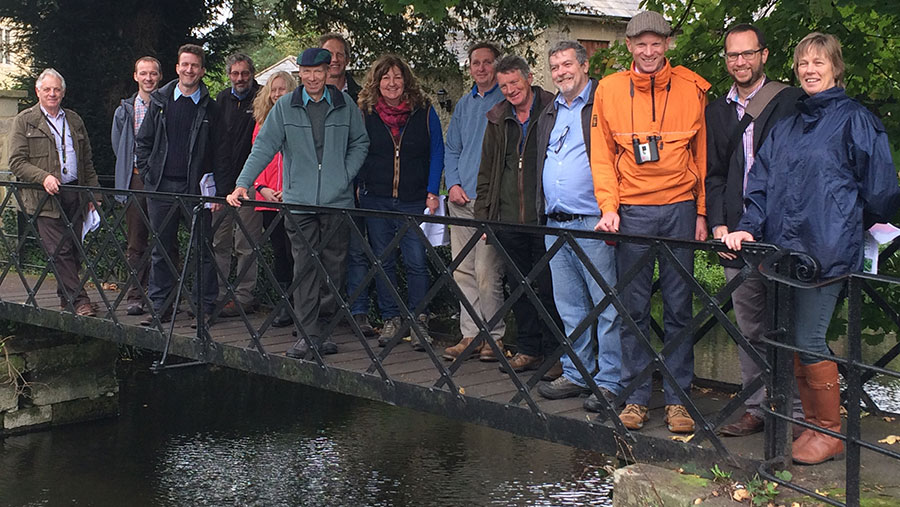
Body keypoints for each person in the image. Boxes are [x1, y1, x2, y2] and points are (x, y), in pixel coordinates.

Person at [723, 32, 900, 465]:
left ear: (836, 67)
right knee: (792, 341)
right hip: (783, 253)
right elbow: (759, 185)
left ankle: (831, 431)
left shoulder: (855, 120)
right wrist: (748, 227)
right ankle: (812, 426)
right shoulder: (786, 125)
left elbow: (880, 191)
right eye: (802, 62)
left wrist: (847, 222)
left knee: (809, 338)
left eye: (819, 62)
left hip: (827, 251)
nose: (809, 69)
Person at [591, 11, 710, 434]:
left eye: (655, 43)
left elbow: (703, 156)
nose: (648, 51)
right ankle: (636, 397)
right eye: (640, 43)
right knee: (633, 309)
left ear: (667, 45)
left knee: (679, 308)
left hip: (679, 209)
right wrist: (609, 208)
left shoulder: (693, 88)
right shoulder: (608, 90)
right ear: (628, 46)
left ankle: (679, 401)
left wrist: (700, 212)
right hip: (633, 212)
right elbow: (602, 156)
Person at [226, 48, 369, 360]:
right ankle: (307, 335)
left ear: (327, 71)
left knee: (333, 269)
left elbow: (361, 142)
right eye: (307, 72)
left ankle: (323, 332)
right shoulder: (286, 107)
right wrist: (242, 183)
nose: (313, 77)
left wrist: (344, 174)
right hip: (298, 202)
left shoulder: (345, 105)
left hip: (336, 201)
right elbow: (264, 146)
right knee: (304, 269)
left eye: (318, 71)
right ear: (300, 75)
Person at [705, 23, 805, 437]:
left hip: (780, 232)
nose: (740, 62)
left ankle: (797, 416)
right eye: (733, 55)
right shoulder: (717, 110)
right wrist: (718, 223)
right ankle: (757, 409)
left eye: (748, 53)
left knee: (791, 327)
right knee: (749, 327)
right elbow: (713, 173)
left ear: (764, 55)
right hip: (735, 237)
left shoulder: (788, 100)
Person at [533, 42, 621, 402]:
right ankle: (577, 373)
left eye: (567, 64)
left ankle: (611, 380)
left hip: (595, 220)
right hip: (556, 222)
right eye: (554, 67)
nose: (561, 72)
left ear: (584, 66)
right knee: (570, 306)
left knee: (607, 305)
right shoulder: (550, 112)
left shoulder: (602, 102)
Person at [475, 55, 560, 368]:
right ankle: (528, 349)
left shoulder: (552, 108)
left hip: (545, 216)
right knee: (519, 287)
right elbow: (487, 173)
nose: (510, 90)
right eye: (504, 85)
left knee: (551, 289)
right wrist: (485, 218)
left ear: (529, 78)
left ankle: (556, 354)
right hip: (508, 218)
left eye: (515, 82)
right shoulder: (497, 117)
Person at [356, 54, 443, 351]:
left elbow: (437, 151)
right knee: (383, 261)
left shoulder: (424, 110)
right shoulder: (365, 111)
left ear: (406, 80)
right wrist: (357, 185)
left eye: (397, 77)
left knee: (416, 261)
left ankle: (419, 319)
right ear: (376, 82)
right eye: (385, 78)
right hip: (375, 198)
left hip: (412, 199)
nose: (391, 83)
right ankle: (391, 317)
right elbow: (356, 150)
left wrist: (432, 189)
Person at [136, 44, 219, 325]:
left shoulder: (210, 106)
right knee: (161, 248)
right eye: (185, 64)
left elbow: (220, 151)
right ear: (177, 68)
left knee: (202, 248)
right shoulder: (160, 102)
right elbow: (144, 140)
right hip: (161, 187)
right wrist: (149, 173)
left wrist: (216, 186)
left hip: (195, 188)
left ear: (202, 71)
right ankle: (161, 306)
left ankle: (203, 308)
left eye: (194, 65)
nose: (189, 70)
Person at [9, 68, 99, 317]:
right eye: (47, 89)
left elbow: (87, 161)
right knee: (58, 250)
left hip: (75, 192)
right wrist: (44, 177)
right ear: (38, 91)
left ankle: (66, 298)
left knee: (75, 248)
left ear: (63, 92)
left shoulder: (74, 119)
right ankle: (80, 300)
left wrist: (95, 194)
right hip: (43, 197)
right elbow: (16, 161)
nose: (52, 94)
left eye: (56, 89)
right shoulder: (25, 120)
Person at [442, 42, 507, 362]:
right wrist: (451, 183)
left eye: (487, 62)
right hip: (461, 199)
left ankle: (493, 337)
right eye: (475, 63)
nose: (481, 68)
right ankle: (470, 334)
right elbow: (451, 148)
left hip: (489, 203)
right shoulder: (465, 105)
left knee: (486, 271)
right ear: (469, 67)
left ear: (496, 66)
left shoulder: (506, 100)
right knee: (462, 270)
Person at [319, 32, 374, 337]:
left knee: (354, 251)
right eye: (330, 54)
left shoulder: (362, 96)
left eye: (340, 54)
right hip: (316, 188)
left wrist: (352, 177)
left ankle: (359, 311)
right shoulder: (307, 93)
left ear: (347, 59)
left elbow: (365, 143)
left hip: (354, 184)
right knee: (319, 251)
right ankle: (320, 311)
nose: (335, 60)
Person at [212, 53, 262, 318]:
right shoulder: (221, 100)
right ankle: (217, 293)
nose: (240, 78)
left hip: (251, 183)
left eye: (244, 73)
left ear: (251, 73)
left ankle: (244, 296)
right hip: (223, 183)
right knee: (219, 241)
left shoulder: (262, 97)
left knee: (245, 242)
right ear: (228, 74)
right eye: (235, 73)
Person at [111, 56, 161, 316]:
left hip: (162, 180)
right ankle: (135, 295)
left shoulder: (166, 105)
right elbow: (118, 145)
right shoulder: (124, 110)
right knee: (136, 241)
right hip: (135, 178)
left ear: (160, 76)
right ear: (136, 76)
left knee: (164, 239)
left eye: (153, 73)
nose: (148, 78)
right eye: (144, 73)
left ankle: (163, 295)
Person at [249, 70, 298, 328]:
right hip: (268, 197)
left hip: (294, 197)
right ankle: (285, 305)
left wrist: (290, 189)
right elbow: (256, 159)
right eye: (274, 89)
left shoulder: (300, 120)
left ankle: (304, 307)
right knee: (280, 252)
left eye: (283, 89)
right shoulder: (261, 122)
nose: (278, 94)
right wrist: (261, 187)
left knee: (297, 253)